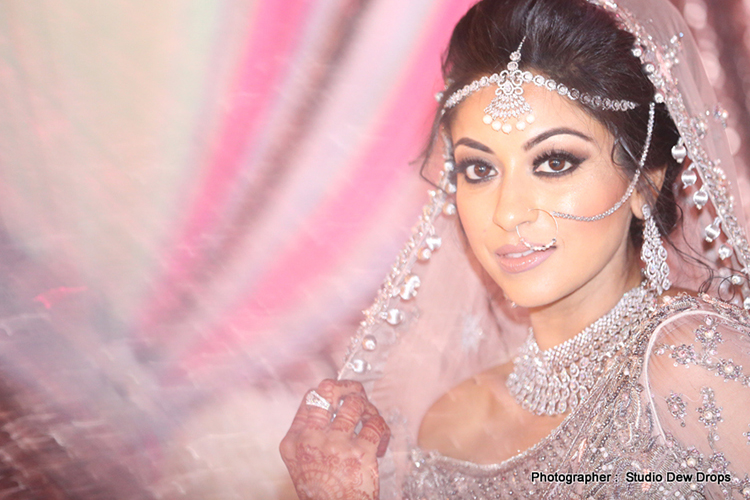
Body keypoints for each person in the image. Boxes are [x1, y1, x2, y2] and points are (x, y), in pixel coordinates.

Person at [280, 0, 750, 498]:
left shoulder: (691, 362)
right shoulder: (447, 427)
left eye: (553, 162)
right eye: (479, 170)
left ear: (644, 185)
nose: (507, 213)